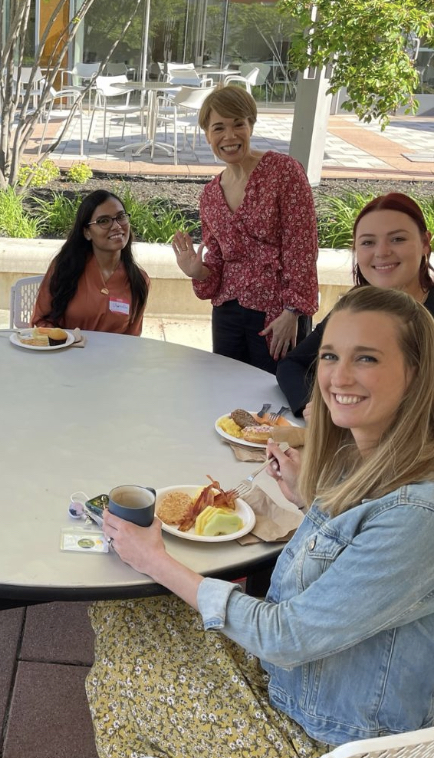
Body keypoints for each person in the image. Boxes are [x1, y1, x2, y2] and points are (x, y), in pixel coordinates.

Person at [88, 286, 434, 758]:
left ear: (416, 374)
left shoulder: (418, 514)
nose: (338, 376)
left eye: (367, 358)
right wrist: (307, 497)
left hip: (319, 733)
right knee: (118, 609)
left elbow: (284, 635)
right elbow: (356, 552)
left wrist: (157, 559)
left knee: (122, 675)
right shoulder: (371, 457)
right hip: (296, 681)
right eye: (330, 354)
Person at [171, 85, 318, 373]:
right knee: (227, 393)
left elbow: (302, 247)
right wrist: (197, 271)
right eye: (219, 128)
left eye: (238, 124)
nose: (229, 136)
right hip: (227, 314)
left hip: (277, 314)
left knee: (274, 401)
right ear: (207, 134)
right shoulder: (210, 194)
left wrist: (293, 313)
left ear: (251, 123)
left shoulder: (283, 171)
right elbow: (216, 262)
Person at [277, 192, 433, 416]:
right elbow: (293, 366)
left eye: (398, 239)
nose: (382, 252)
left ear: (425, 243)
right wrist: (322, 406)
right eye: (368, 242)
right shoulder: (355, 306)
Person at [31, 190, 149, 335]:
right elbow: (40, 321)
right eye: (103, 221)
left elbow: (132, 339)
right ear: (87, 232)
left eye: (121, 217)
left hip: (112, 357)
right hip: (65, 354)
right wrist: (67, 342)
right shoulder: (65, 267)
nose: (117, 226)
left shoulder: (139, 281)